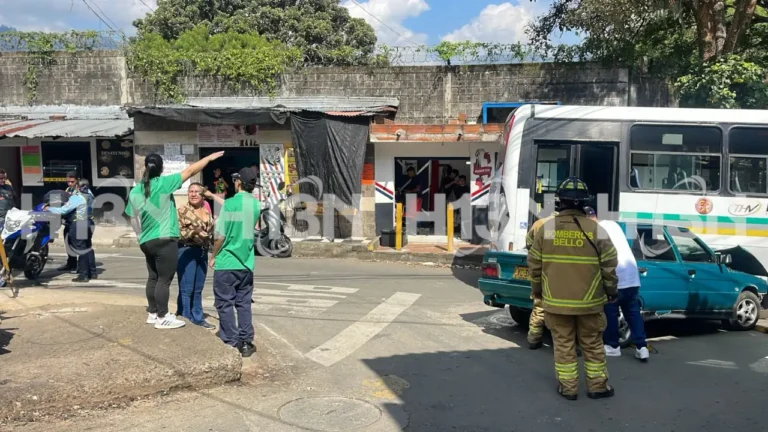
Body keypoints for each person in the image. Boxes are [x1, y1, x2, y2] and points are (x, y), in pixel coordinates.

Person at [527, 177, 619, 401]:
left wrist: (538, 291)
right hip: (590, 302)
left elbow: (535, 265)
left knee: (563, 345)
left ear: (561, 201)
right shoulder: (595, 229)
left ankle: (568, 388)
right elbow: (609, 265)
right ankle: (597, 386)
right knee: (592, 344)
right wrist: (611, 291)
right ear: (583, 202)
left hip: (556, 302)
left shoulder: (548, 230)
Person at [126, 151, 225, 330]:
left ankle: (153, 313)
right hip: (165, 239)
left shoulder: (136, 190)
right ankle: (163, 317)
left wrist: (140, 235)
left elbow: (132, 218)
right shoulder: (164, 183)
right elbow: (190, 170)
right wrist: (209, 159)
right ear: (161, 168)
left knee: (153, 277)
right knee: (164, 279)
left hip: (147, 241)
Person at [584, 206, 649, 362]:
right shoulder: (612, 224)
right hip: (632, 276)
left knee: (610, 311)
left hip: (615, 276)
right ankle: (642, 347)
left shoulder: (593, 231)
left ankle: (613, 346)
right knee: (632, 312)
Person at [209, 167, 261, 357]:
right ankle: (246, 342)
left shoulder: (230, 204)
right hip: (246, 263)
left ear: (238, 182)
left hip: (227, 261)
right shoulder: (256, 205)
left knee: (224, 304)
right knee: (244, 303)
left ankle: (230, 341)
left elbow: (220, 236)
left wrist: (213, 255)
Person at [175, 182, 221, 330]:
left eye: (197, 192)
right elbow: (178, 233)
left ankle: (198, 317)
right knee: (186, 288)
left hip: (202, 252)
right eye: (191, 192)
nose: (193, 194)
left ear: (202, 195)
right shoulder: (182, 210)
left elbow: (212, 232)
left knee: (198, 288)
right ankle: (186, 318)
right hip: (186, 250)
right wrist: (194, 232)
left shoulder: (206, 211)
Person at [45, 180, 96, 282]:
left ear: (77, 186)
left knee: (80, 249)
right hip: (89, 223)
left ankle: (83, 275)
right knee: (87, 247)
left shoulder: (77, 197)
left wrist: (48, 208)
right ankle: (91, 272)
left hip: (78, 224)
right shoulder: (90, 195)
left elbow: (63, 210)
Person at [524, 209, 558, 350]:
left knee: (539, 305)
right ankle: (560, 342)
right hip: (558, 269)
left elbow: (529, 244)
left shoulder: (539, 223)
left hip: (541, 267)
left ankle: (534, 339)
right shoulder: (565, 225)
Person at [57, 171, 80, 273]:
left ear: (77, 180)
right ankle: (70, 263)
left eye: (72, 181)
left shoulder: (81, 190)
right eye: (68, 182)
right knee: (68, 242)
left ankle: (78, 266)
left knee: (76, 244)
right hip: (68, 220)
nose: (70, 184)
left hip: (77, 220)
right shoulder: (68, 189)